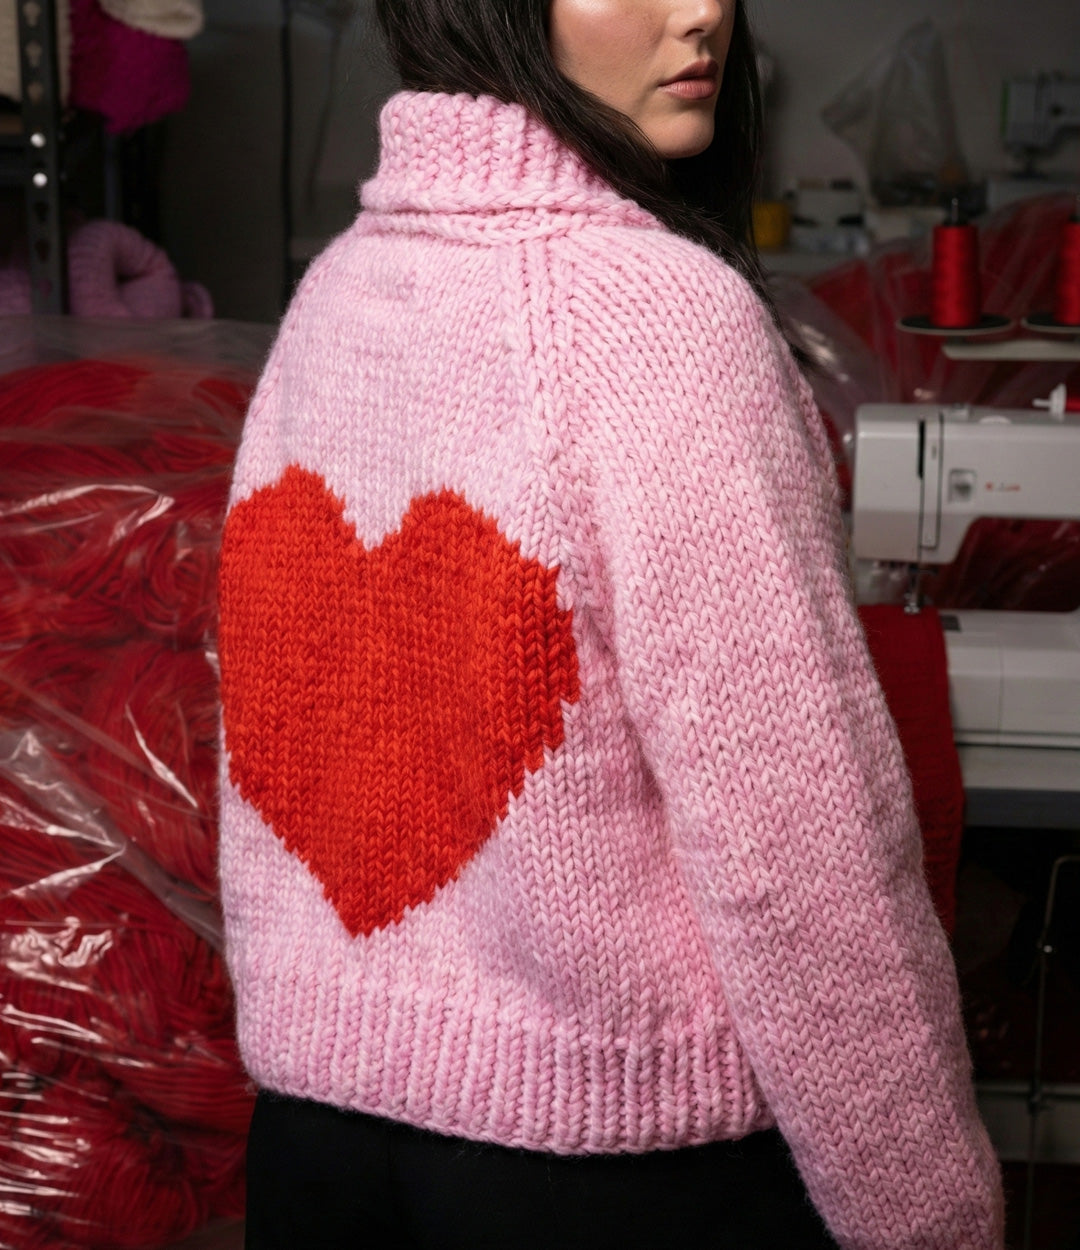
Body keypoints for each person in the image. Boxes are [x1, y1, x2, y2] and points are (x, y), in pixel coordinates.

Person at [216, 1, 1005, 1246]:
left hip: (318, 1149)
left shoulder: (337, 291)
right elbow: (800, 844)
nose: (702, 12)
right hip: (613, 1166)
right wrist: (933, 1218)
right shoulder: (658, 318)